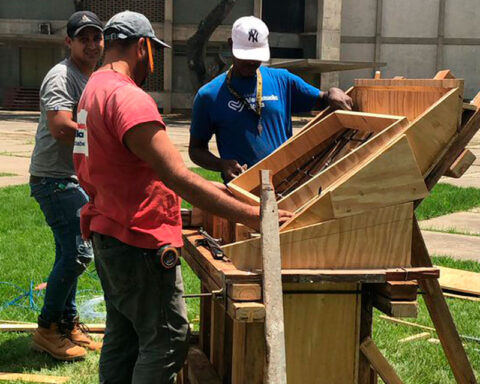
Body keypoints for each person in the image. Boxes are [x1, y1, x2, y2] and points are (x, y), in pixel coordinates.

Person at [72, 11, 292, 383]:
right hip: (139, 241)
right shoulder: (128, 98)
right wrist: (256, 215)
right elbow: (179, 177)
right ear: (143, 47)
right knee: (168, 341)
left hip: (109, 230)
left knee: (123, 337)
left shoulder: (93, 89)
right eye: (152, 52)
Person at [189, 16, 353, 182]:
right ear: (231, 45)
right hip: (241, 191)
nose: (252, 61)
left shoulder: (283, 81)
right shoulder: (209, 95)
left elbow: (323, 98)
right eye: (246, 55)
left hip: (287, 186)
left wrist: (333, 91)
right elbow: (196, 150)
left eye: (257, 55)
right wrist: (222, 165)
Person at [28, 11, 104, 361]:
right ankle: (46, 329)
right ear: (68, 42)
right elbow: (60, 126)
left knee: (69, 253)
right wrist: (110, 132)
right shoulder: (61, 76)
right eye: (83, 38)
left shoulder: (90, 77)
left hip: (70, 178)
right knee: (77, 253)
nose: (91, 44)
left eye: (96, 37)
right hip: (53, 179)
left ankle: (67, 323)